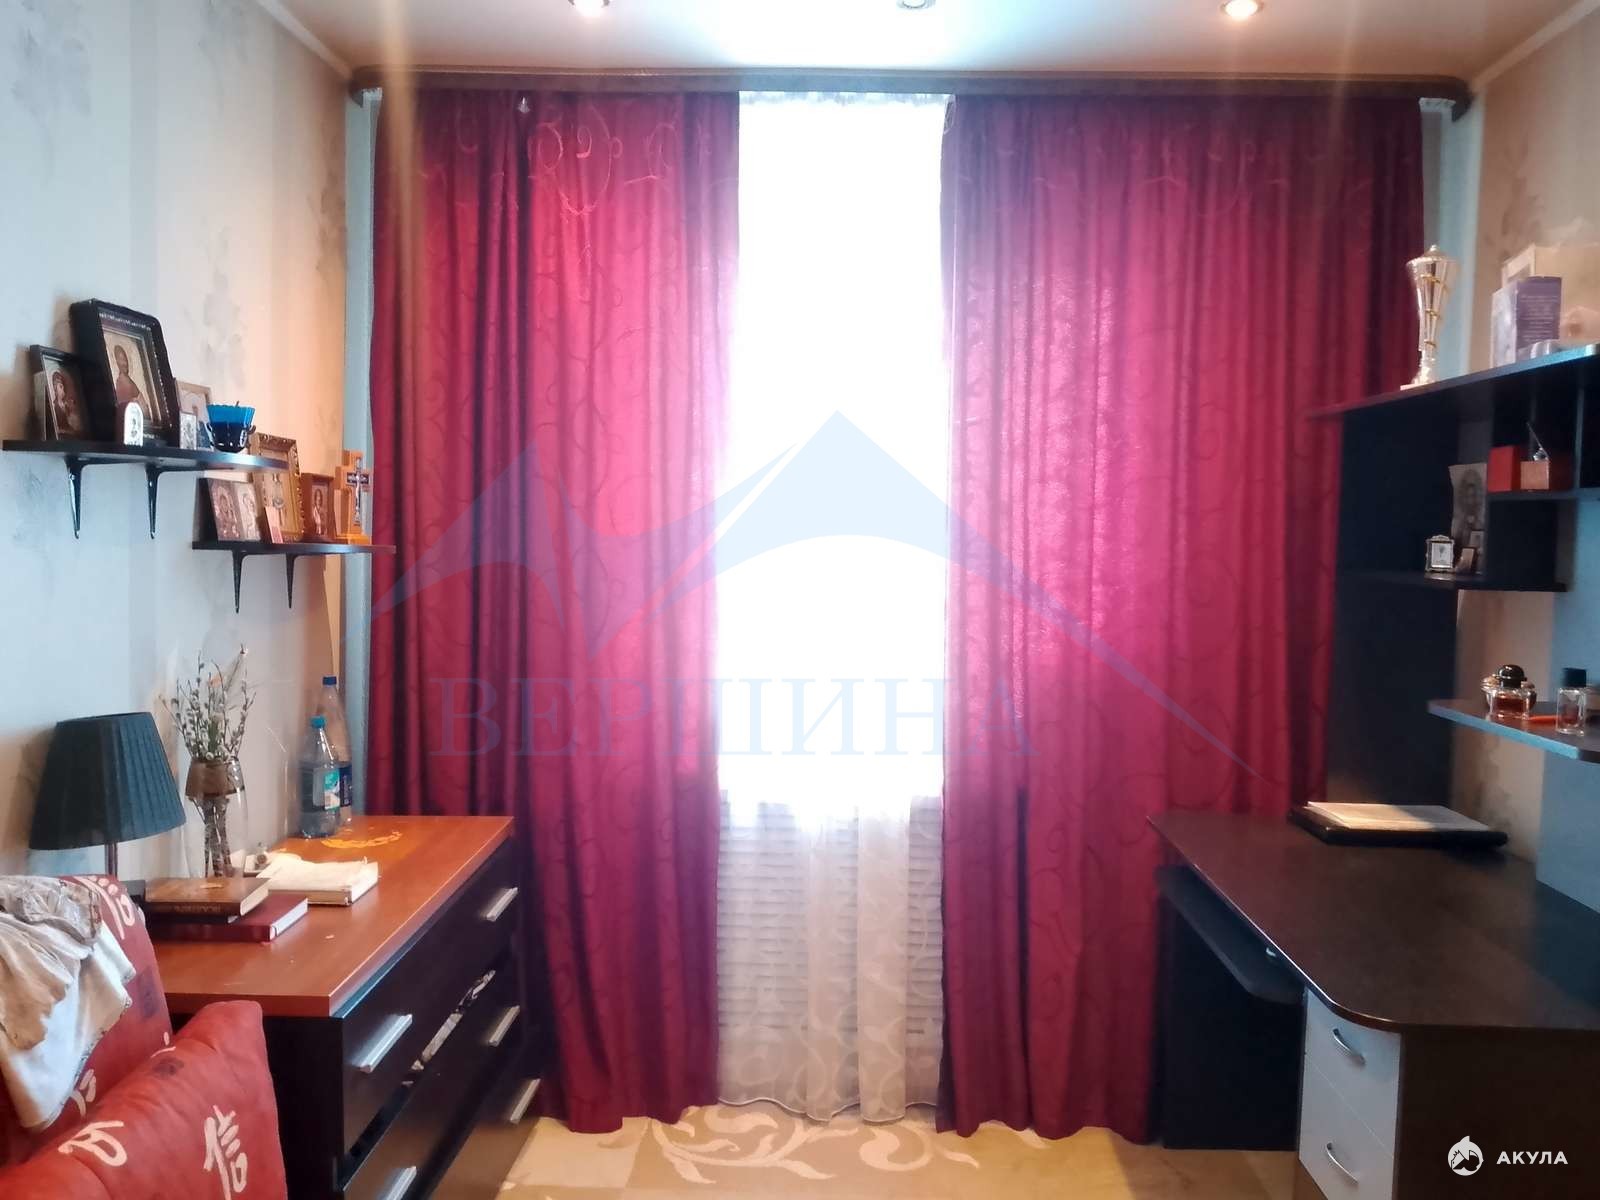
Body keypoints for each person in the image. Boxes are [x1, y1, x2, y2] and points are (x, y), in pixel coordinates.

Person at [110, 343, 147, 418]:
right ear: (116, 361)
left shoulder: (128, 380)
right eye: (121, 359)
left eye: (125, 359)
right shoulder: (123, 381)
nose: (125, 363)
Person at [49, 370, 83, 438]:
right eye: (61, 386)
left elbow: (75, 426)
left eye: (63, 386)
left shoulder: (66, 405)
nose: (63, 389)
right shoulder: (54, 406)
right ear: (55, 388)